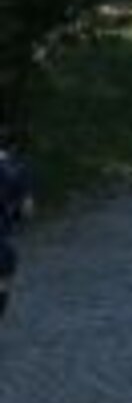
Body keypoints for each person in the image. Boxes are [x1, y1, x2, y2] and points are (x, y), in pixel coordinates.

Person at [0, 129, 34, 318]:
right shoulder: (19, 169)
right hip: (3, 239)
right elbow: (27, 210)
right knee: (3, 284)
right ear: (12, 146)